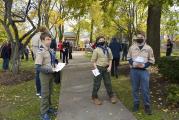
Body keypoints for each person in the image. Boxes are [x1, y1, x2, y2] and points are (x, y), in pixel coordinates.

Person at [127, 32, 155, 115]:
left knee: (145, 89)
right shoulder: (132, 48)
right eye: (138, 37)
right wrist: (132, 63)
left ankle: (147, 106)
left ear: (145, 38)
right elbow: (128, 57)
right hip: (134, 71)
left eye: (141, 37)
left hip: (144, 72)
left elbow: (152, 60)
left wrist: (144, 65)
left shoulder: (149, 48)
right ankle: (136, 104)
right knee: (135, 89)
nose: (139, 38)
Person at [35, 32, 58, 120]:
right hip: (44, 75)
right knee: (44, 94)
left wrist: (56, 64)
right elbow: (37, 67)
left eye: (50, 39)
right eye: (47, 39)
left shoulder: (50, 50)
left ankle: (48, 108)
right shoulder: (41, 51)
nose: (49, 41)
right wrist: (50, 70)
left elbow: (51, 61)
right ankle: (43, 113)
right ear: (42, 40)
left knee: (49, 93)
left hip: (51, 74)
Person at [91, 36, 117, 105]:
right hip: (98, 68)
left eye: (103, 40)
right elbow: (93, 61)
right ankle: (94, 97)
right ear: (97, 42)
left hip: (106, 68)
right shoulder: (96, 50)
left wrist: (110, 67)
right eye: (100, 40)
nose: (102, 41)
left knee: (108, 83)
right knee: (97, 83)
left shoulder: (108, 49)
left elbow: (110, 58)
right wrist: (96, 68)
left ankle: (111, 96)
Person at [32, 26, 48, 98]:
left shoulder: (34, 36)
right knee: (41, 75)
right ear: (44, 30)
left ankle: (38, 91)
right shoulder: (41, 36)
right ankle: (41, 92)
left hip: (36, 57)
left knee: (37, 75)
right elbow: (41, 48)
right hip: (40, 58)